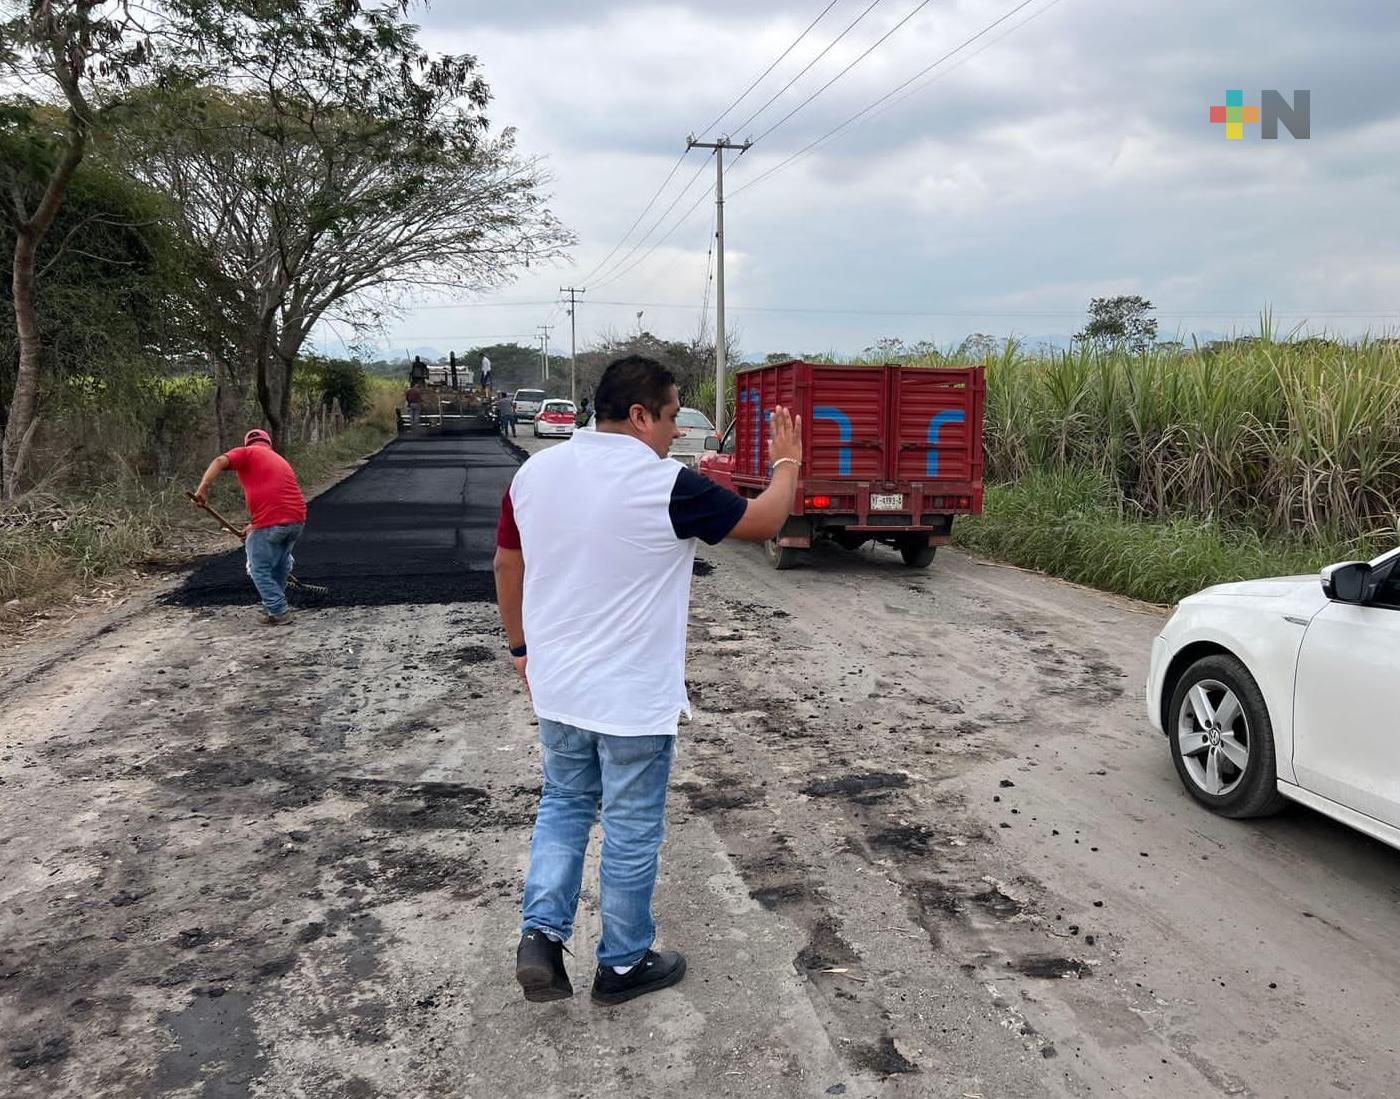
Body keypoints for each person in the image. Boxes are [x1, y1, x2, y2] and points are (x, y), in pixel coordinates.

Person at [494, 354, 803, 1005]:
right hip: (632, 702)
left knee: (565, 805)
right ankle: (624, 964)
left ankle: (541, 938)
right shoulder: (667, 484)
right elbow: (766, 519)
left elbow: (506, 560)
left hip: (560, 689)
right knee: (631, 828)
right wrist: (787, 463)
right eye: (668, 417)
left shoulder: (534, 474)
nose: (672, 433)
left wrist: (520, 646)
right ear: (639, 415)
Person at [192, 428, 308, 625]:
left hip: (272, 522)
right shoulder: (277, 459)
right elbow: (274, 496)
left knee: (259, 569)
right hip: (296, 520)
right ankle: (271, 608)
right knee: (280, 566)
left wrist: (202, 489)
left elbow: (220, 461)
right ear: (268, 443)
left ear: (248, 444)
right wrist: (253, 525)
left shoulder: (247, 453)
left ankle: (278, 610)